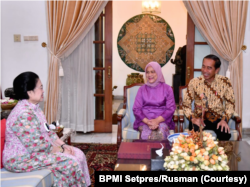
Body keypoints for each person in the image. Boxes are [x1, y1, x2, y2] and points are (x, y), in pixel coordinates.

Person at [3, 72, 91, 187]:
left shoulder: (35, 108)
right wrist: (61, 151)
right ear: (29, 92)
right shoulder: (23, 114)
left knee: (78, 153)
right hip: (20, 158)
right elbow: (37, 146)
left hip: (35, 153)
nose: (43, 91)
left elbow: (48, 132)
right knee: (70, 162)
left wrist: (63, 145)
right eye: (40, 87)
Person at [182, 54, 235, 140]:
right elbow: (186, 104)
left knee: (225, 133)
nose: (205, 70)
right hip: (199, 118)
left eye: (209, 68)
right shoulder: (194, 82)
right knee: (194, 134)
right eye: (203, 66)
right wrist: (192, 118)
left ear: (217, 70)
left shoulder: (225, 82)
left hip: (217, 118)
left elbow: (230, 103)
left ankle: (220, 153)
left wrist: (224, 120)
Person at [132, 61, 176, 140]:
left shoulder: (167, 89)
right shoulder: (142, 89)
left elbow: (171, 108)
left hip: (162, 120)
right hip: (144, 121)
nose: (149, 75)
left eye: (152, 72)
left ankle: (161, 152)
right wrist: (148, 122)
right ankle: (144, 152)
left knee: (160, 133)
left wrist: (157, 120)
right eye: (147, 72)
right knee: (147, 135)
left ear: (158, 72)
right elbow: (136, 109)